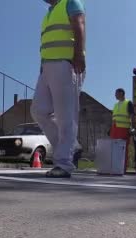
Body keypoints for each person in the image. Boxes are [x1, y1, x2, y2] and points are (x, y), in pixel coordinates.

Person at [31, 0, 86, 178]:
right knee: (39, 110)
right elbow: (47, 42)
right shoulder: (49, 13)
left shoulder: (70, 2)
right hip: (47, 67)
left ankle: (64, 163)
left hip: (66, 63)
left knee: (65, 116)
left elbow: (79, 25)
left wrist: (79, 54)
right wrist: (42, 67)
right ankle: (72, 146)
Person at [110, 88, 135, 172]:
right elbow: (114, 118)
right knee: (114, 149)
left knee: (123, 149)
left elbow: (131, 115)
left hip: (124, 129)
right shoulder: (116, 104)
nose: (115, 95)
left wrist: (131, 127)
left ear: (121, 93)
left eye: (116, 93)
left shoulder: (128, 103)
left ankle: (122, 168)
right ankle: (114, 167)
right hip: (115, 129)